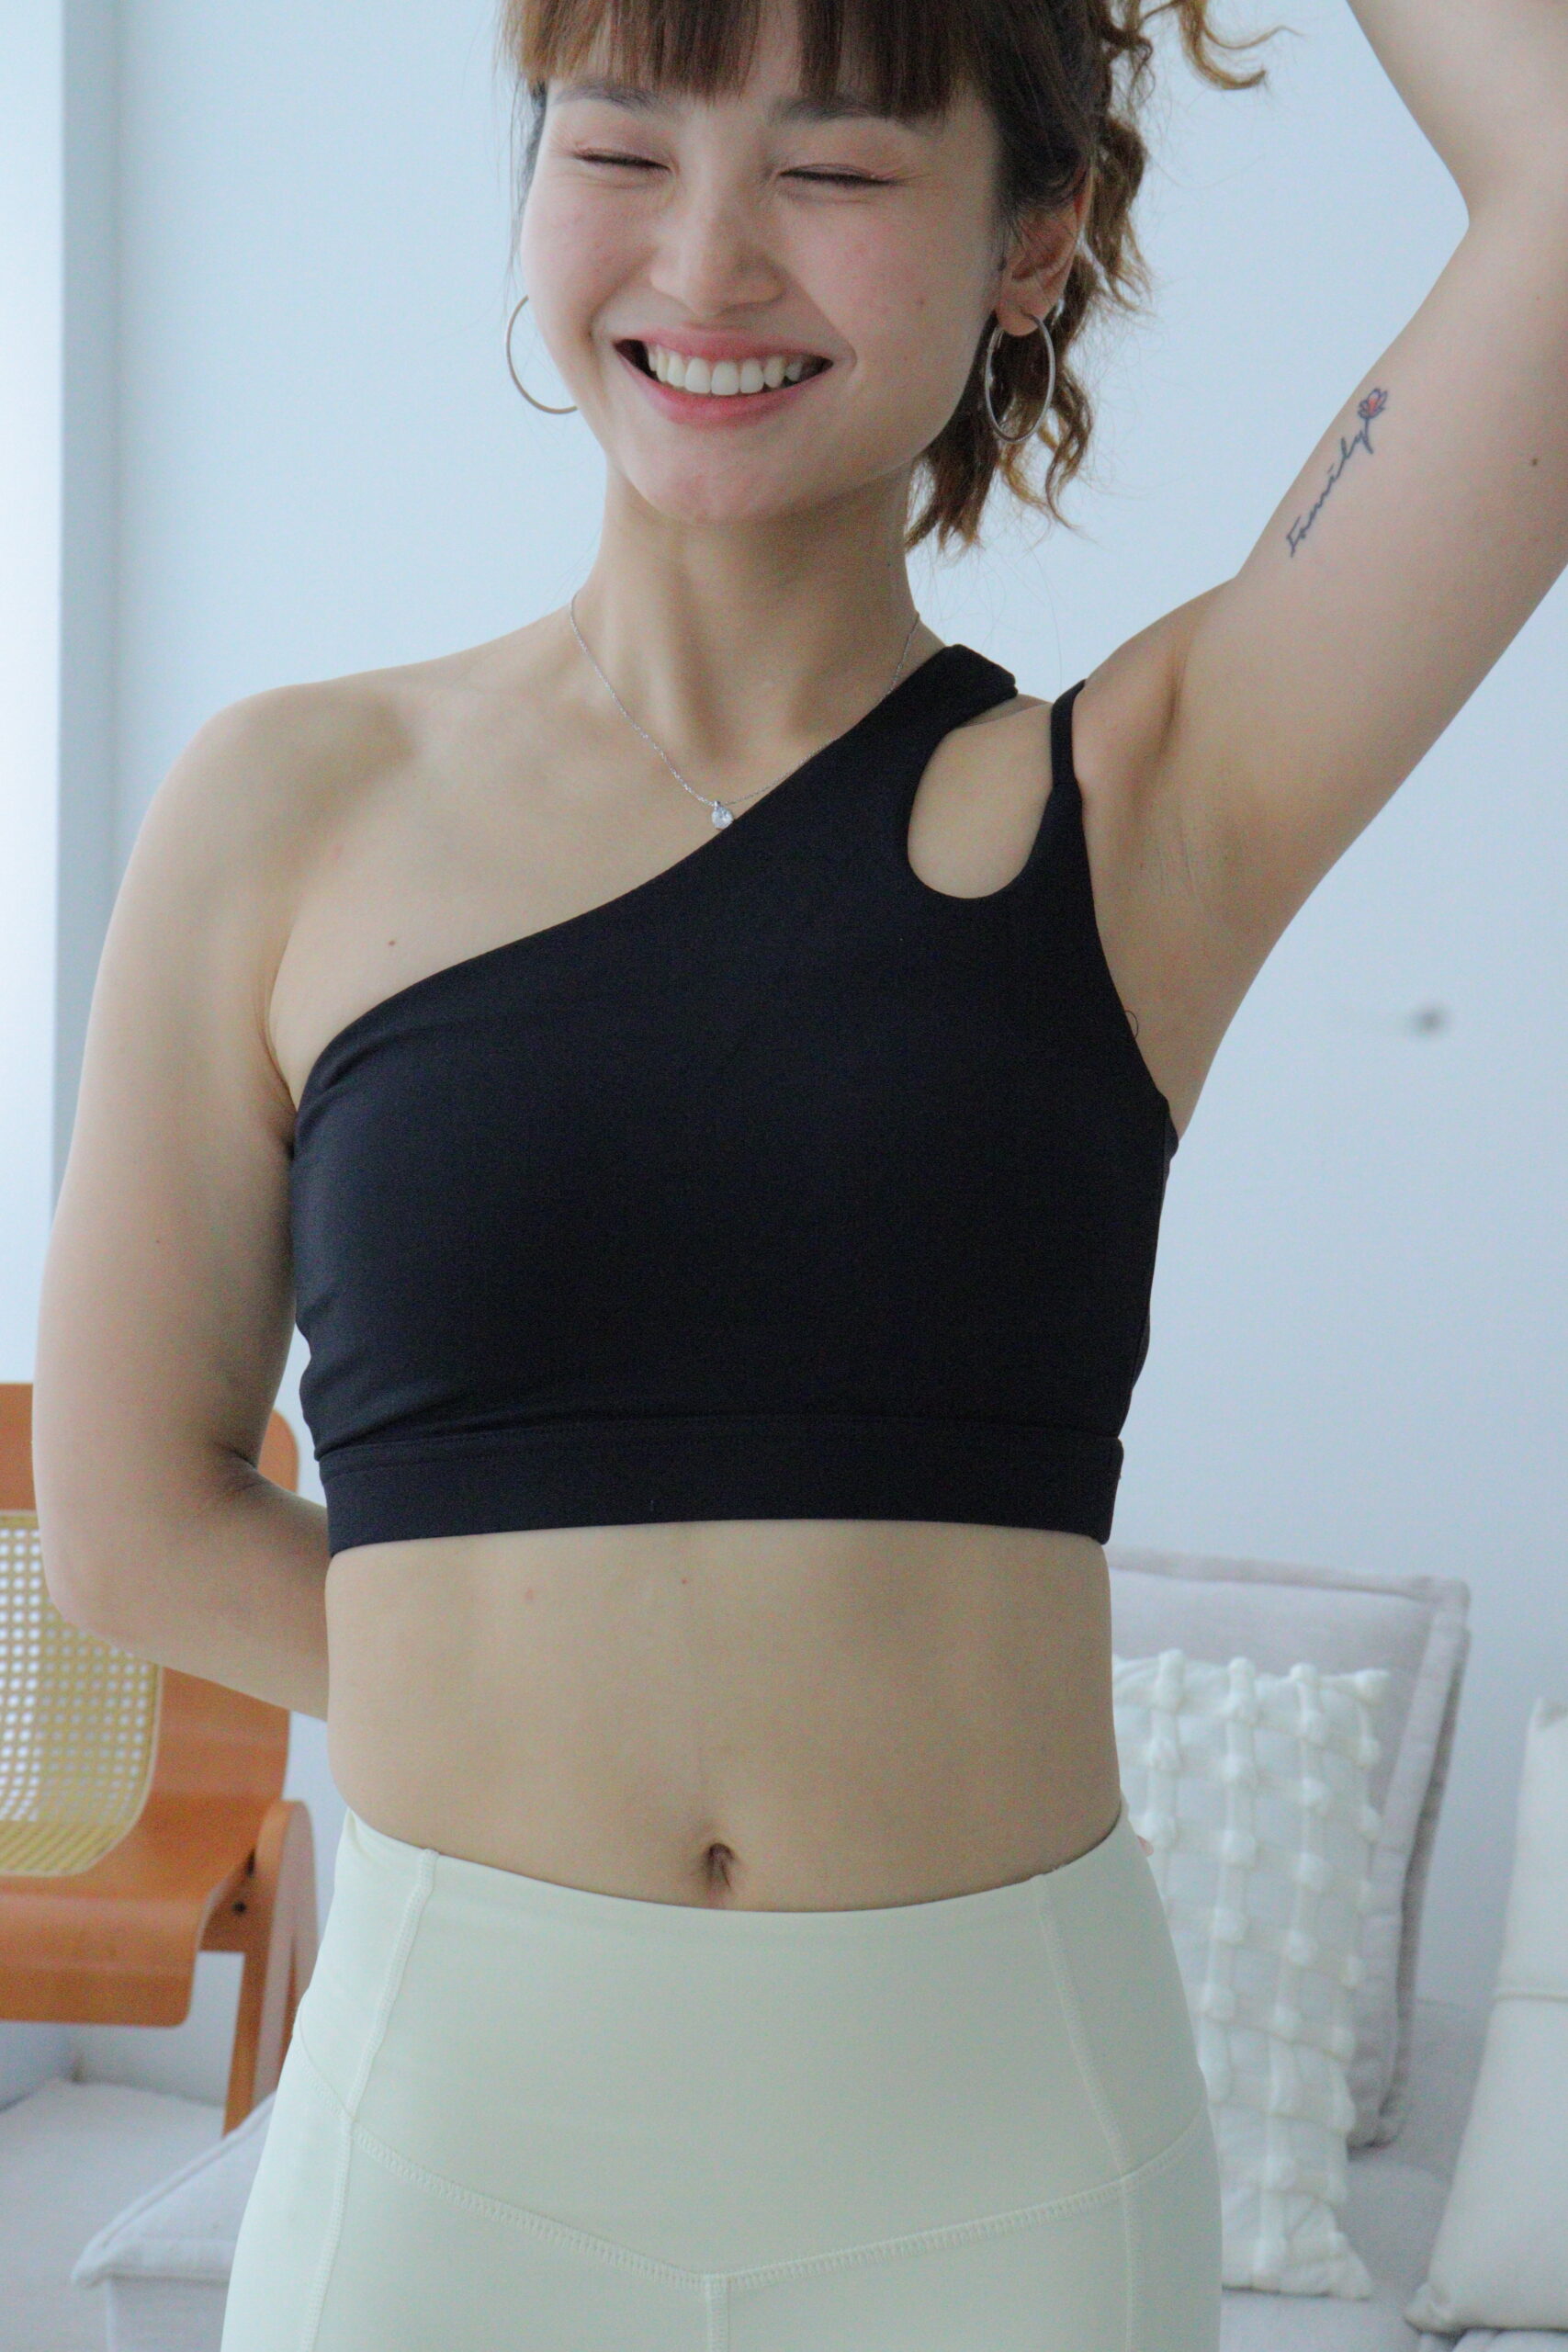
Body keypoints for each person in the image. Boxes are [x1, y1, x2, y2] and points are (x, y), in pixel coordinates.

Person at [32, 0, 1568, 2343]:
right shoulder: (286, 807)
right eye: (617, 146)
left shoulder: (1142, 810)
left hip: (1003, 2168)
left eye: (833, 172)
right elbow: (133, 1519)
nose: (707, 259)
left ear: (1031, 239)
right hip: (450, 2147)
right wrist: (558, 1700)